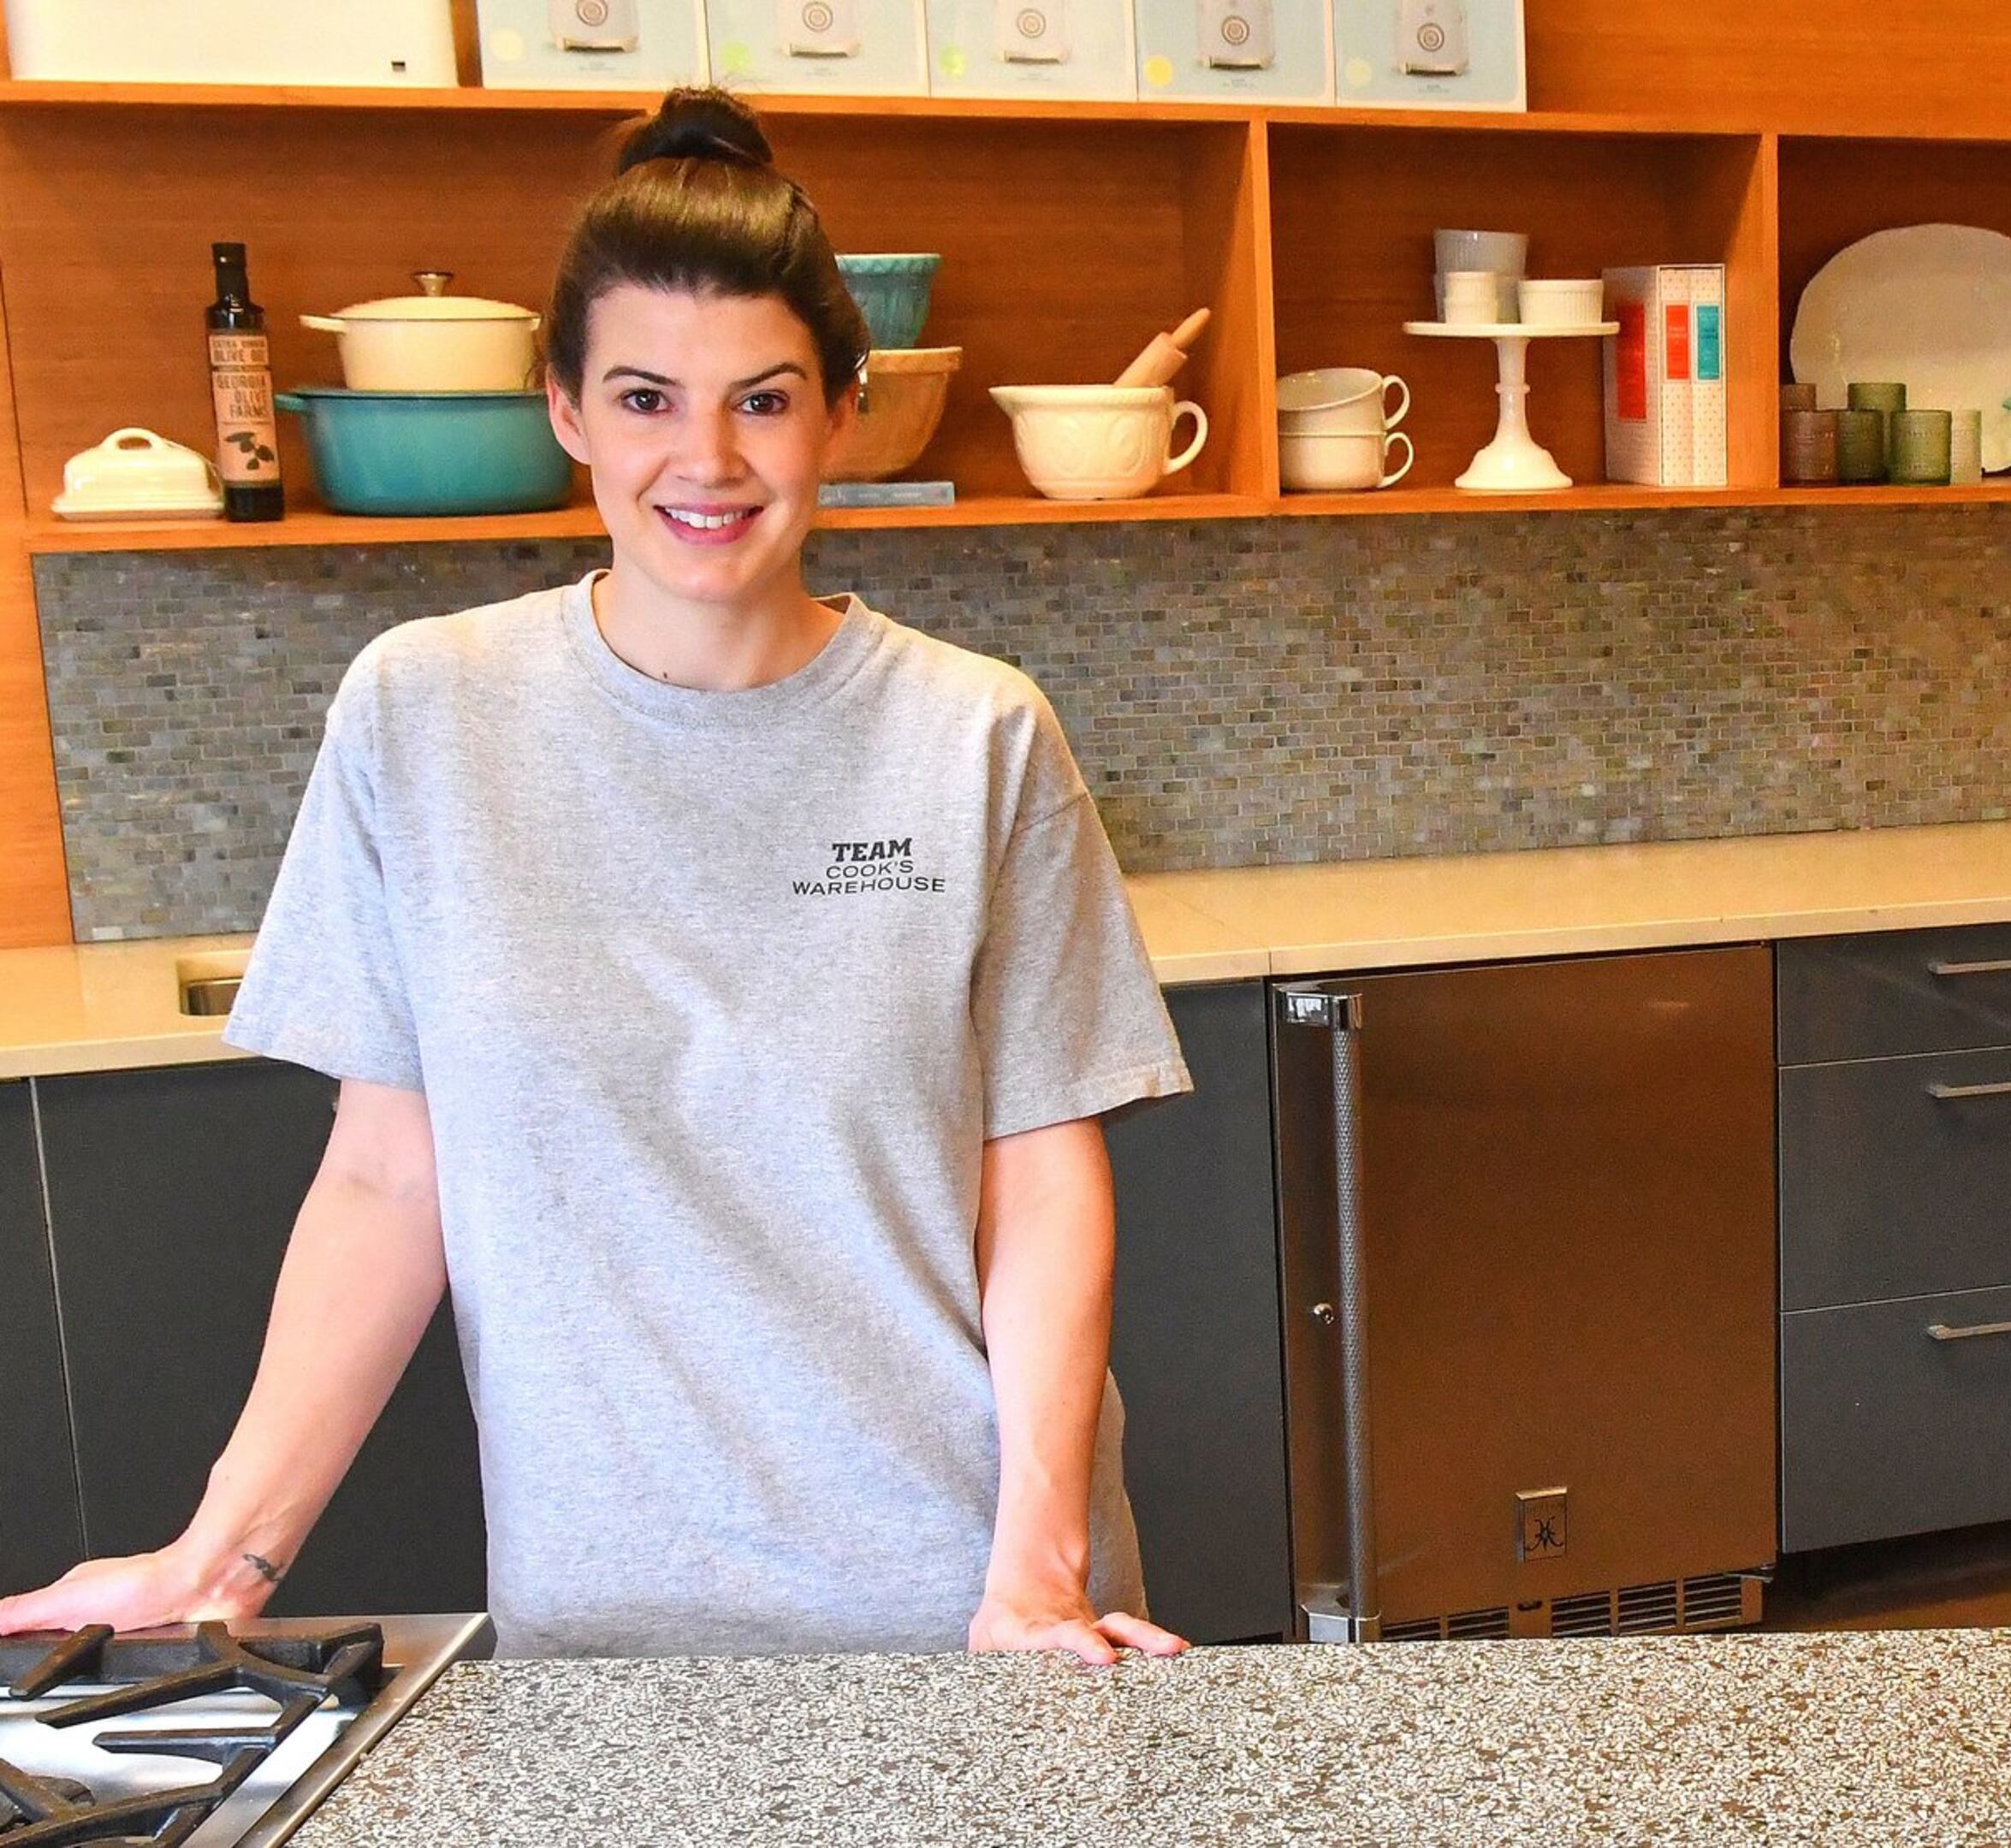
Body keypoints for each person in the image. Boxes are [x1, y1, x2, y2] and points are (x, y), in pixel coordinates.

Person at [0, 89, 1191, 1666]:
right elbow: (386, 1176)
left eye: (763, 401)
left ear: (842, 409)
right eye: (645, 397)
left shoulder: (975, 735)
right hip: (607, 1625)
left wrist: (1034, 1569)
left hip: (966, 1609)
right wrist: (223, 1554)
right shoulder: (424, 716)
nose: (706, 460)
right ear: (564, 405)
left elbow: (1039, 1179)